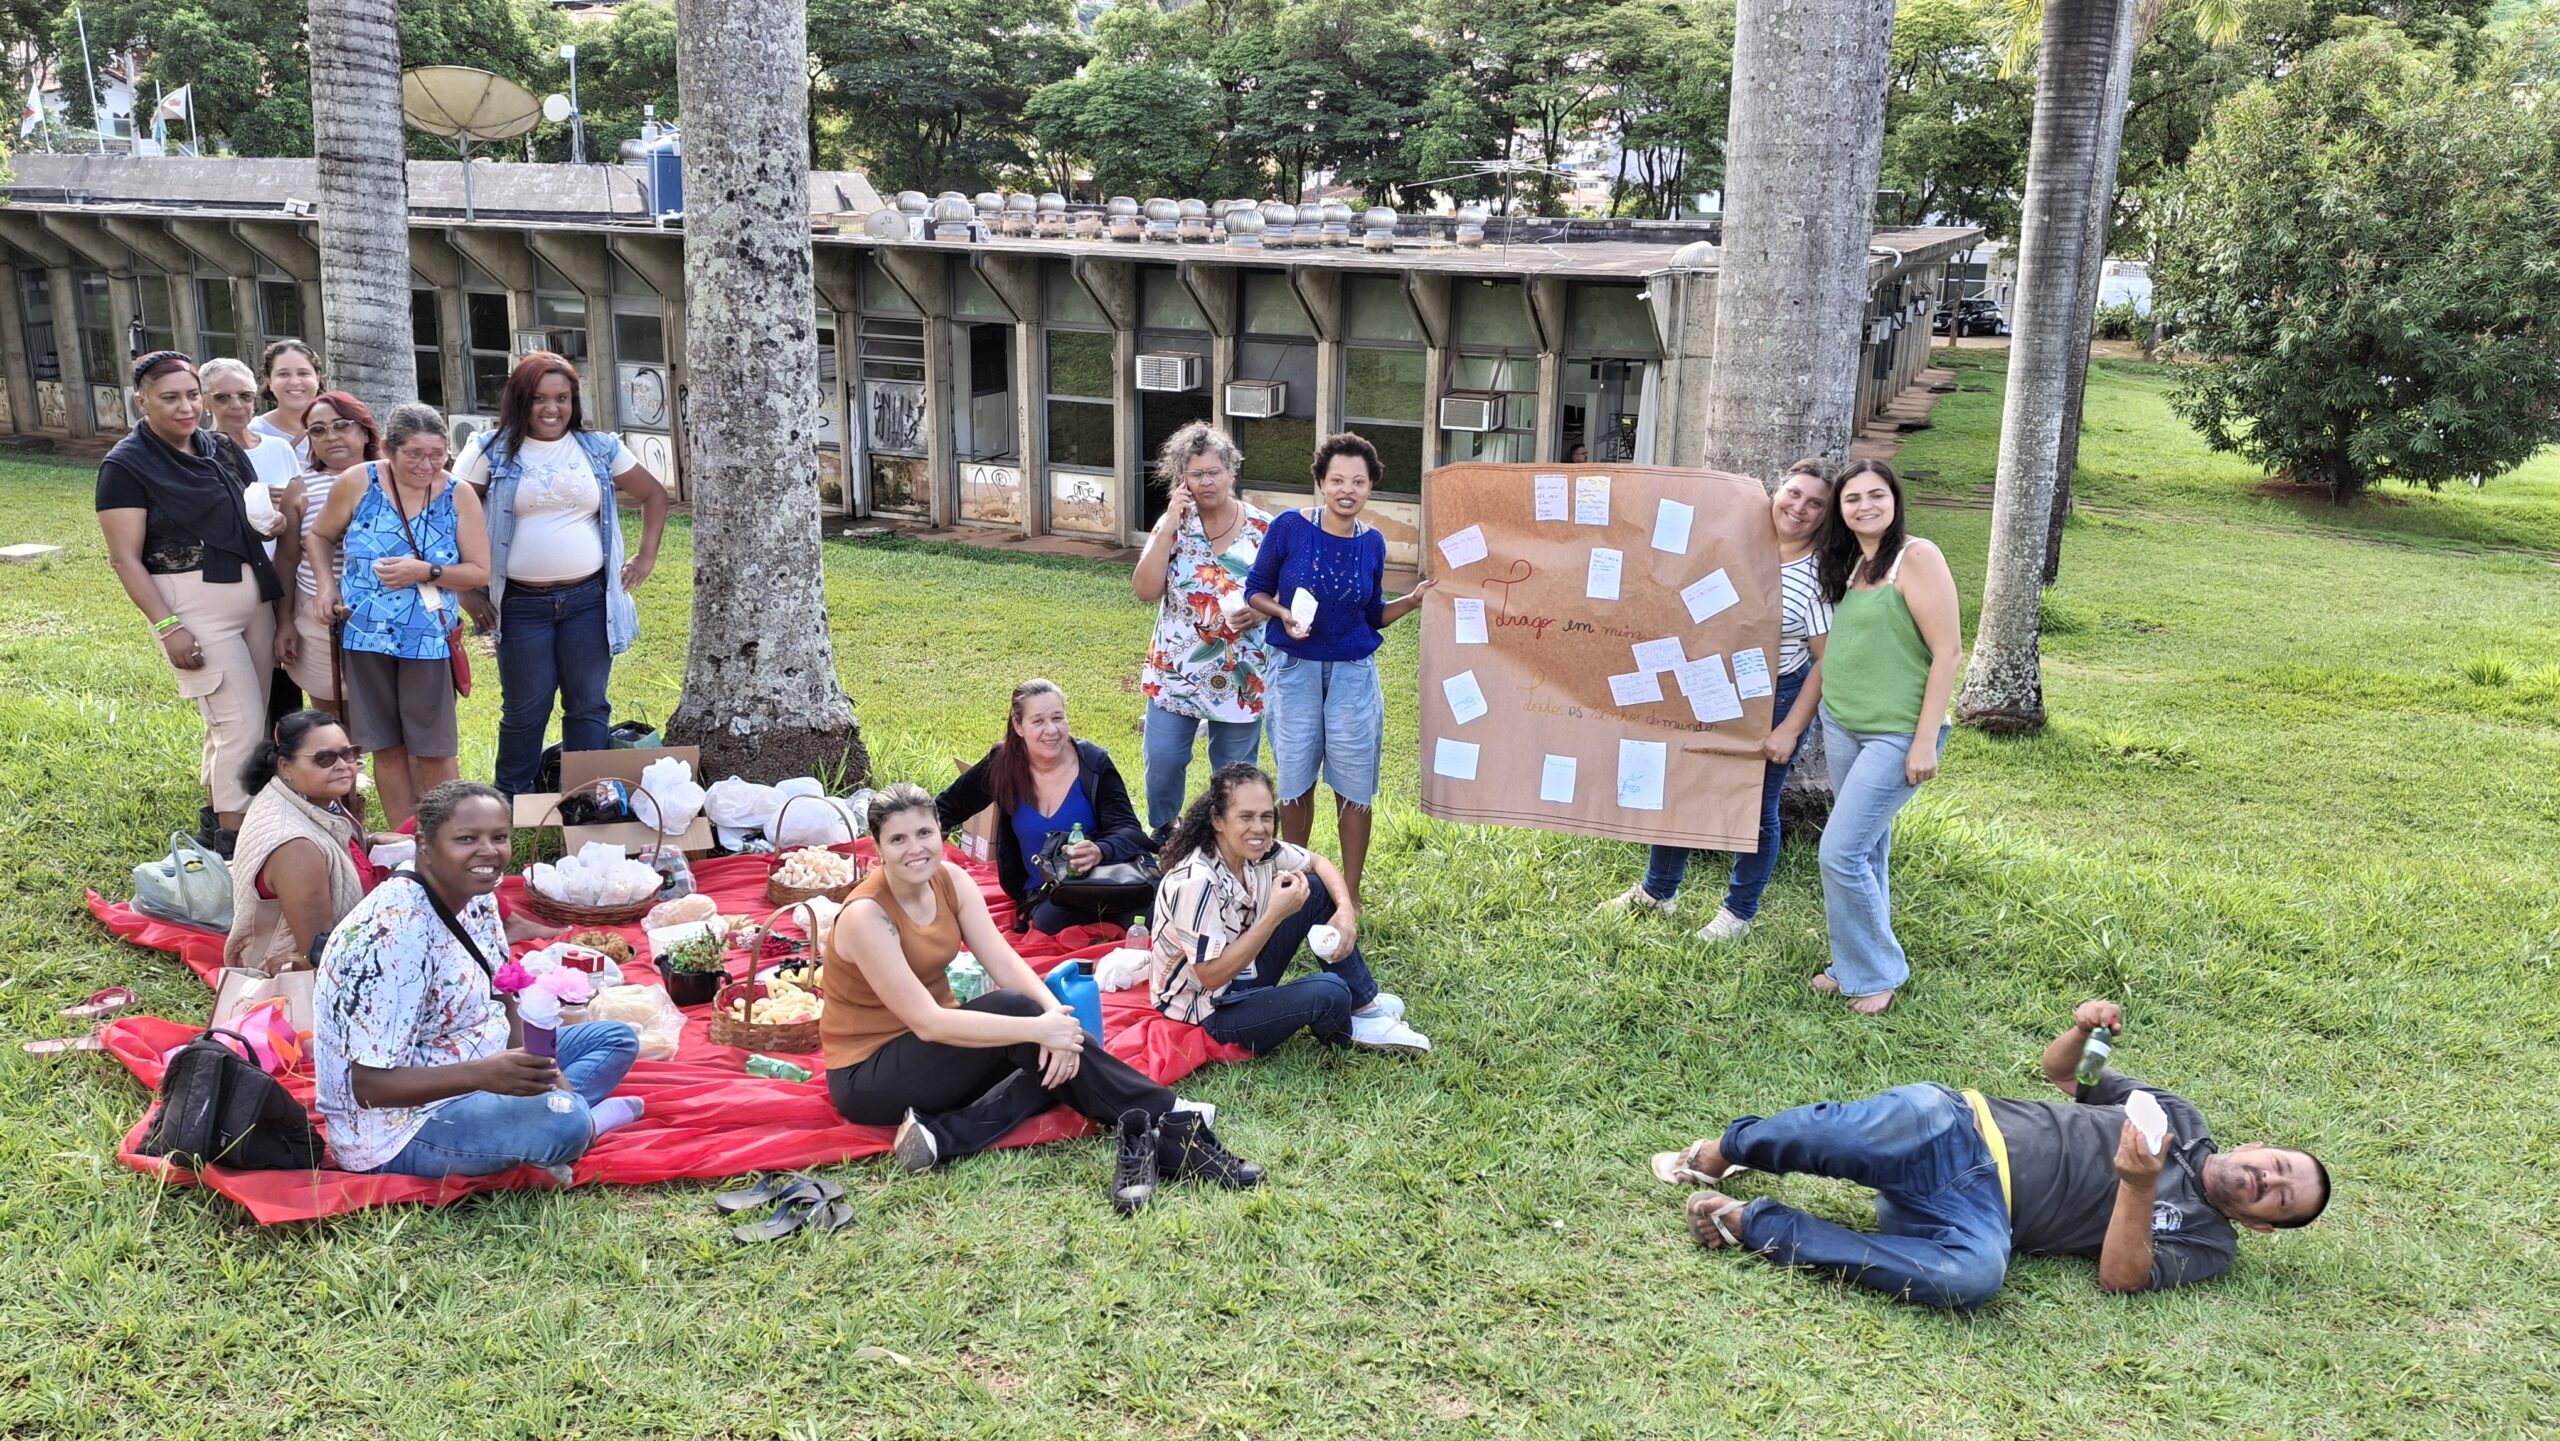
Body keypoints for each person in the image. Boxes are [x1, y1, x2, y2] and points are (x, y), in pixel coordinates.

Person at [1654, 999, 2332, 1309]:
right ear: (2257, 1144)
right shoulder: (2181, 1117)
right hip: (1961, 1128)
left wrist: (2137, 1184)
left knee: (1974, 1279)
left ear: (2264, 1224)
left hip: (1980, 1216)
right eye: (2280, 1164)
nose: (2268, 1177)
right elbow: (2070, 1075)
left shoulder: (2211, 1244)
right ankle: (1723, 1149)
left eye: (2280, 1195)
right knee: (1878, 1126)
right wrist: (2085, 1029)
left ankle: (1754, 1223)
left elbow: (2121, 1278)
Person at [824, 784, 1264, 1215]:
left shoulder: (951, 880)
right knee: (1024, 1020)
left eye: (924, 833)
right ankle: (1170, 1115)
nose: (915, 848)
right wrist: (1038, 1027)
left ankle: (940, 1136)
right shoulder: (867, 915)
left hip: (940, 1055)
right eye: (897, 839)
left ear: (941, 831)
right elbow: (928, 1023)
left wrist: (1057, 1020)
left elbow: (1005, 962)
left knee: (1055, 1060)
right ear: (877, 848)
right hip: (872, 1075)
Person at [314, 781, 646, 1179]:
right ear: (424, 844)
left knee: (616, 1039)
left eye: (499, 837)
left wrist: (543, 1067)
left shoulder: (478, 895)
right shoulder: (393, 935)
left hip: (479, 1065)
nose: (489, 852)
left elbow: (501, 992)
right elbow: (366, 1086)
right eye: (467, 839)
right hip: (399, 1127)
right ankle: (576, 1126)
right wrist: (483, 1075)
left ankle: (535, 1126)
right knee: (565, 1122)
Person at [1602, 458, 1834, 940]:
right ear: (1776, 491)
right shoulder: (1730, 543)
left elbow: (1823, 663)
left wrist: (1790, 728)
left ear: (1826, 515)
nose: (1800, 507)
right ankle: (1657, 891)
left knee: (1756, 806)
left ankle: (1738, 913)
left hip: (1772, 697)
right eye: (1793, 493)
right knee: (1682, 788)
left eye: (1815, 503)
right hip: (1702, 687)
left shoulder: (1818, 575)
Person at [96, 351, 287, 855]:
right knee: (240, 725)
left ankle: (215, 820)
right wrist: (168, 627)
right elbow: (125, 560)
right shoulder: (126, 466)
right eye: (169, 398)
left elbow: (253, 508)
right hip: (193, 608)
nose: (186, 407)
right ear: (141, 402)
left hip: (253, 600)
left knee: (238, 721)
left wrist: (276, 522)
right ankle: (237, 845)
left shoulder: (220, 446)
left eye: (191, 396)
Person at [454, 352, 669, 796]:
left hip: (588, 600)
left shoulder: (600, 448)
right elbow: (449, 512)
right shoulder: (488, 450)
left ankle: (584, 802)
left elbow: (653, 495)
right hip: (520, 604)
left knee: (588, 705)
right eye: (539, 398)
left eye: (562, 398)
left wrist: (645, 558)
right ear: (519, 401)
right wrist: (467, 590)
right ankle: (511, 805)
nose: (551, 409)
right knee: (525, 709)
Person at [1243, 432, 1435, 901]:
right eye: (1337, 480)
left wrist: (1411, 601)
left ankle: (1348, 894)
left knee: (1353, 783)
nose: (1347, 490)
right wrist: (1283, 614)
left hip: (1352, 671)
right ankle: (1294, 886)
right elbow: (1255, 589)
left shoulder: (1373, 543)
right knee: (1294, 778)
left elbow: (1372, 614)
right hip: (1294, 669)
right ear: (1321, 483)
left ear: (1371, 487)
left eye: (1358, 481)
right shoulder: (1290, 527)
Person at [1807, 459, 1961, 1015]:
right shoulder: (1852, 564)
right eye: (1852, 499)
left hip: (1896, 735)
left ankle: (1879, 972)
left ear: (1894, 500)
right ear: (1841, 512)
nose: (1865, 505)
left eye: (1876, 494)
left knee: (1839, 852)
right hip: (1844, 725)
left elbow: (1948, 651)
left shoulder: (1915, 558)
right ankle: (1853, 964)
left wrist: (1924, 742)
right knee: (1867, 850)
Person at [1151, 763, 1430, 1055]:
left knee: (1315, 888)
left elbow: (1319, 863)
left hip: (1241, 974)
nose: (1258, 828)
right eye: (1245, 817)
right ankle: (1349, 1025)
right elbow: (1211, 975)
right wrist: (1274, 915)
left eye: (1266, 817)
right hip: (1207, 1012)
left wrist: (1345, 911)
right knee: (1330, 992)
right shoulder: (1196, 881)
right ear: (1218, 820)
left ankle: (1364, 1007)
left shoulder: (1257, 851)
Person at [309, 402, 489, 828]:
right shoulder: (358, 481)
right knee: (384, 747)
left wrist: (426, 571)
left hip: (426, 638)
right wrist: (326, 586)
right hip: (364, 634)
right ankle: (404, 842)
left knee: (435, 750)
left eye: (437, 454)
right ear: (388, 448)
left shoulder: (457, 493)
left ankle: (450, 837)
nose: (427, 465)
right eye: (414, 454)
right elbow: (319, 536)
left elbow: (479, 571)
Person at [1132, 421, 1272, 835]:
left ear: (1232, 471)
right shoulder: (1172, 524)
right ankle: (1164, 834)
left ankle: (1226, 842)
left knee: (1234, 775)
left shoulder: (1264, 528)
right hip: (1177, 670)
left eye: (1214, 471)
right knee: (1163, 759)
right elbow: (1144, 590)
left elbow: (1284, 594)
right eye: (1196, 474)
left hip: (1240, 673)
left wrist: (1262, 613)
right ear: (1182, 479)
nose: (1206, 481)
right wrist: (1170, 526)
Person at [936, 679, 1152, 935]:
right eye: (1038, 721)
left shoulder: (1094, 763)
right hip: (1048, 894)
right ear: (1018, 726)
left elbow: (1130, 831)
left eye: (1058, 718)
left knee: (1148, 918)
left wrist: (1100, 850)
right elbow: (946, 809)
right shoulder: (1002, 763)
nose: (1051, 730)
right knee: (1049, 922)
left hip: (1109, 881)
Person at [225, 709, 399, 973]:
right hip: (295, 976)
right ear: (285, 767)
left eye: (348, 753)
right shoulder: (297, 849)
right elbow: (318, 954)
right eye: (325, 758)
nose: (343, 766)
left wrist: (373, 840)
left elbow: (334, 841)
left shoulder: (314, 798)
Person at [273, 391, 382, 709]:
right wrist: (284, 622)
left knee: (390, 720)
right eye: (318, 430)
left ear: (364, 431)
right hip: (319, 616)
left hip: (389, 612)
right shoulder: (301, 488)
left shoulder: (395, 478)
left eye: (341, 425)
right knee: (335, 718)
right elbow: (287, 559)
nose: (330, 436)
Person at [249, 339, 322, 454]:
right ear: (269, 382)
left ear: (317, 379)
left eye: (303, 373)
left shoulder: (338, 428)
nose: (294, 381)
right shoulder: (255, 433)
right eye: (283, 374)